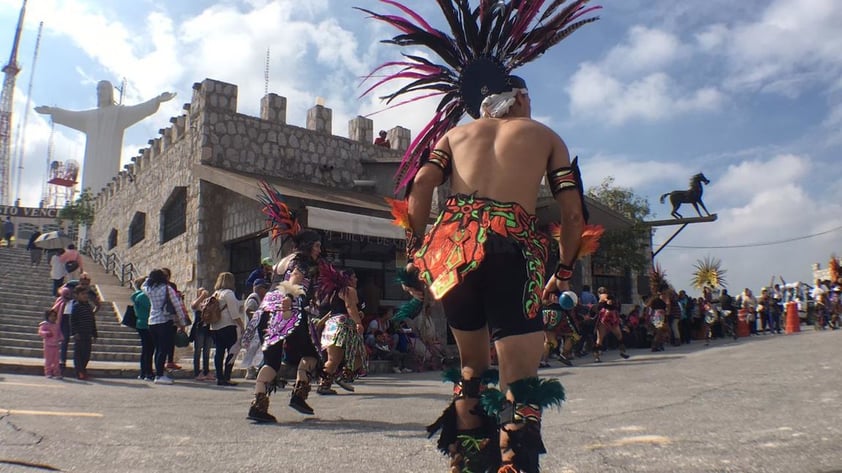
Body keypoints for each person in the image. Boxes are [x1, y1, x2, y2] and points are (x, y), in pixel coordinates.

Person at [365, 2, 597, 469]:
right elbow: (572, 216)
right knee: (520, 377)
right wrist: (565, 270)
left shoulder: (453, 137)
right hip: (513, 251)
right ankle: (514, 462)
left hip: (454, 252)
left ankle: (469, 462)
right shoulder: (544, 135)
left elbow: (421, 185)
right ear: (518, 99)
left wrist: (417, 249)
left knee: (471, 366)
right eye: (528, 97)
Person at [35, 80, 176, 193]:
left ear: (109, 93)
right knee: (89, 193)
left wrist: (157, 100)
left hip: (109, 162)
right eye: (98, 89)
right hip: (91, 164)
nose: (100, 92)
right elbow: (71, 115)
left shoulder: (118, 113)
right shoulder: (89, 116)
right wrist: (52, 111)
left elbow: (139, 109)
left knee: (106, 189)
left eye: (103, 89)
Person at [248, 229, 323, 423]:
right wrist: (289, 297)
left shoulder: (283, 260)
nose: (319, 250)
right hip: (288, 312)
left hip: (266, 310)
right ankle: (298, 396)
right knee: (311, 355)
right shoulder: (301, 261)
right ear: (307, 246)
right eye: (317, 245)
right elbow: (295, 277)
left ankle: (258, 406)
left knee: (271, 361)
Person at [317, 268, 367, 395]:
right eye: (354, 277)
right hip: (343, 326)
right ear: (348, 279)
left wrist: (321, 323)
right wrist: (358, 323)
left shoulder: (335, 292)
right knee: (358, 356)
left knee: (336, 359)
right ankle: (336, 379)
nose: (356, 279)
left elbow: (334, 311)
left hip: (332, 325)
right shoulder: (349, 290)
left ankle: (333, 380)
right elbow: (350, 307)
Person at [142, 269, 189, 385]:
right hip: (165, 321)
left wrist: (149, 278)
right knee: (163, 349)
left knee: (158, 349)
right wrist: (182, 322)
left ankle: (157, 373)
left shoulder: (149, 289)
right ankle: (159, 375)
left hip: (152, 321)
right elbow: (177, 305)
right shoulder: (167, 288)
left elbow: (143, 284)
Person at [210, 272, 243, 386]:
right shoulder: (229, 293)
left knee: (219, 352)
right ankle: (227, 376)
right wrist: (242, 325)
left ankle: (219, 377)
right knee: (232, 351)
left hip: (215, 326)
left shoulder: (216, 294)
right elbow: (234, 313)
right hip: (228, 326)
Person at [242, 278, 270, 379]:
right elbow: (248, 311)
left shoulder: (259, 298)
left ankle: (255, 371)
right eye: (264, 288)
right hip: (253, 330)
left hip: (256, 330)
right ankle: (250, 372)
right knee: (252, 350)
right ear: (258, 288)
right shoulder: (253, 298)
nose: (266, 290)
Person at [591, 293, 630, 363]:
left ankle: (622, 352)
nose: (610, 301)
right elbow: (597, 306)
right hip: (603, 322)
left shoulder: (616, 305)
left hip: (613, 322)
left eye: (611, 300)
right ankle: (596, 357)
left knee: (619, 336)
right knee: (599, 339)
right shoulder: (602, 303)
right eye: (609, 300)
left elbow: (617, 314)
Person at [70, 285, 98, 380]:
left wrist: (94, 333)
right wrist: (75, 333)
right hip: (79, 335)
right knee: (78, 354)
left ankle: (83, 369)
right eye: (82, 294)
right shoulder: (76, 306)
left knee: (86, 354)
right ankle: (79, 372)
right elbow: (72, 321)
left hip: (88, 334)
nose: (85, 295)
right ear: (77, 295)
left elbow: (92, 320)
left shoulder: (88, 306)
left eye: (86, 293)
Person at [130, 277, 154, 381]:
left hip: (140, 323)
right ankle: (148, 372)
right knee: (149, 350)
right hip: (146, 324)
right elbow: (152, 307)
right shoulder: (144, 296)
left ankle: (143, 372)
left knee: (146, 349)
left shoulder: (137, 296)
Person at [190, 288, 214, 381]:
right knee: (198, 350)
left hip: (208, 329)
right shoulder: (197, 303)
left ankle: (206, 371)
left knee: (207, 351)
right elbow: (194, 306)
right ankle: (197, 372)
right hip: (199, 329)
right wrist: (202, 296)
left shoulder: (208, 303)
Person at [38, 308, 64, 379]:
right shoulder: (44, 324)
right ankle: (48, 372)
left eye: (54, 316)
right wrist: (46, 333)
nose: (53, 318)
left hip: (56, 345)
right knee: (48, 360)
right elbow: (40, 332)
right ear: (47, 317)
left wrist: (61, 338)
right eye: (51, 316)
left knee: (56, 360)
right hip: (48, 345)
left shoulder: (57, 325)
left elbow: (59, 333)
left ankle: (56, 373)